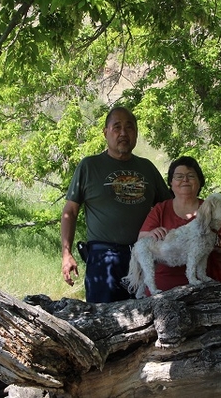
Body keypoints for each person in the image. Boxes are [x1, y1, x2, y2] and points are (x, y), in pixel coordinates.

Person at [60, 106, 172, 303]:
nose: (123, 133)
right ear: (105, 132)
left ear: (136, 133)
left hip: (143, 255)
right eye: (116, 127)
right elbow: (70, 211)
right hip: (104, 258)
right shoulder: (89, 166)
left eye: (129, 128)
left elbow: (170, 207)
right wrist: (66, 253)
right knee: (103, 318)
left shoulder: (146, 168)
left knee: (147, 315)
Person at [137, 156, 221, 295]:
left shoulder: (212, 208)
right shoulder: (160, 209)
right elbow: (141, 239)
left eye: (190, 176)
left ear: (199, 182)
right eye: (179, 176)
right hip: (163, 290)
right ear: (171, 183)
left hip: (208, 287)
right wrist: (151, 234)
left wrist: (212, 242)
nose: (185, 180)